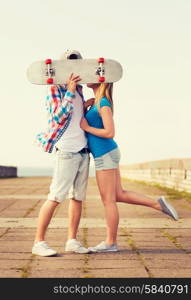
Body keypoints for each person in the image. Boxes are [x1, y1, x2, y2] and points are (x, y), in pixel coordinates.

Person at [80, 82, 179, 253]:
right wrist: (84, 106)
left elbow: (110, 132)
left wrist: (87, 127)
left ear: (103, 80)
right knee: (119, 194)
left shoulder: (103, 103)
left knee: (108, 201)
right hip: (107, 153)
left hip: (105, 154)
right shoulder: (96, 102)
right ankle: (158, 204)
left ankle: (110, 243)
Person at [32, 50, 91, 256]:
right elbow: (57, 118)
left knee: (77, 198)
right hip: (66, 151)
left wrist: (85, 104)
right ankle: (39, 242)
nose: (73, 68)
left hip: (83, 150)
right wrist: (70, 92)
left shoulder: (80, 89)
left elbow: (75, 116)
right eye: (69, 63)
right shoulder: (54, 89)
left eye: (77, 63)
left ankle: (72, 241)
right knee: (56, 197)